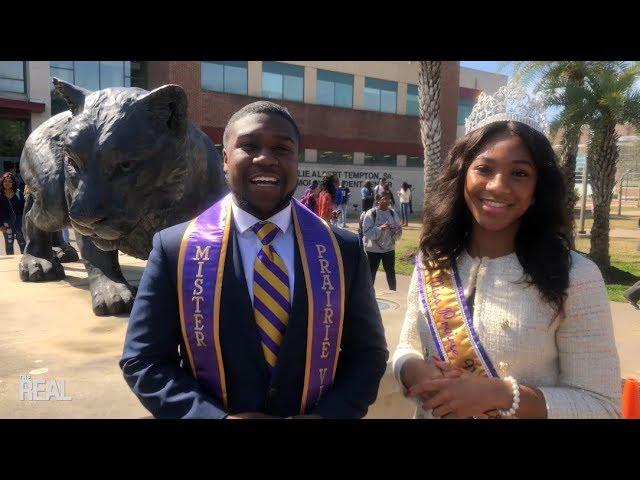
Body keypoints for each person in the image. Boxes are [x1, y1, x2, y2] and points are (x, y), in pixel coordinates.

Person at [120, 101, 388, 419]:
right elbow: (143, 360)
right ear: (224, 159)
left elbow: (368, 354)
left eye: (282, 148)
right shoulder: (175, 248)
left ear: (296, 161)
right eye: (248, 146)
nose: (265, 158)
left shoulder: (342, 249)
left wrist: (327, 416)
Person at [392, 84, 621, 419]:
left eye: (519, 173)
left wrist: (499, 395)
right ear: (462, 174)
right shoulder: (434, 262)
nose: (498, 186)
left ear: (537, 188)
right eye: (484, 168)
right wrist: (412, 369)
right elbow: (407, 347)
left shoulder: (576, 277)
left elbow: (601, 406)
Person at [362, 192, 402, 291]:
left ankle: (393, 293)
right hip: (373, 250)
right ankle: (369, 295)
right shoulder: (371, 213)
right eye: (384, 198)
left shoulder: (392, 213)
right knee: (371, 274)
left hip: (389, 249)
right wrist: (380, 229)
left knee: (391, 273)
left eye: (389, 199)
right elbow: (366, 232)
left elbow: (398, 227)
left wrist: (397, 231)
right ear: (378, 200)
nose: (387, 201)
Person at [0, 172, 26, 255]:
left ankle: (24, 261)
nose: (7, 183)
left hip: (19, 223)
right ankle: (10, 263)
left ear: (13, 183)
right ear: (2, 182)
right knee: (9, 245)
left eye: (10, 181)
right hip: (6, 223)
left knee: (22, 243)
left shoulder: (18, 193)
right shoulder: (0, 194)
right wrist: (0, 225)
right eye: (5, 181)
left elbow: (25, 209)